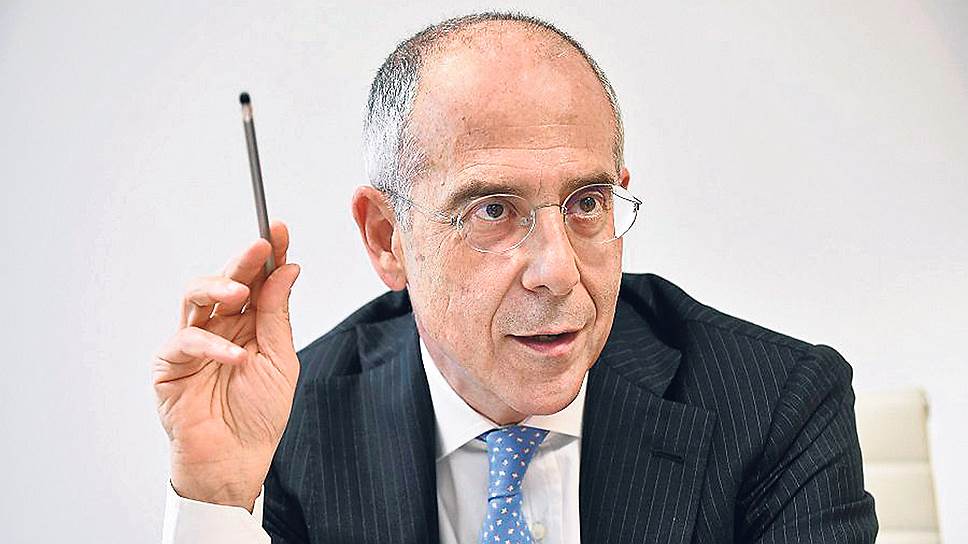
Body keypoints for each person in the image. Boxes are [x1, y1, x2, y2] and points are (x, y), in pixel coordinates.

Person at [154, 12, 878, 544]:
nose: (558, 271)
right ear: (387, 238)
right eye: (494, 210)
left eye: (587, 203)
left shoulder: (776, 405)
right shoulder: (293, 424)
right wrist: (217, 495)